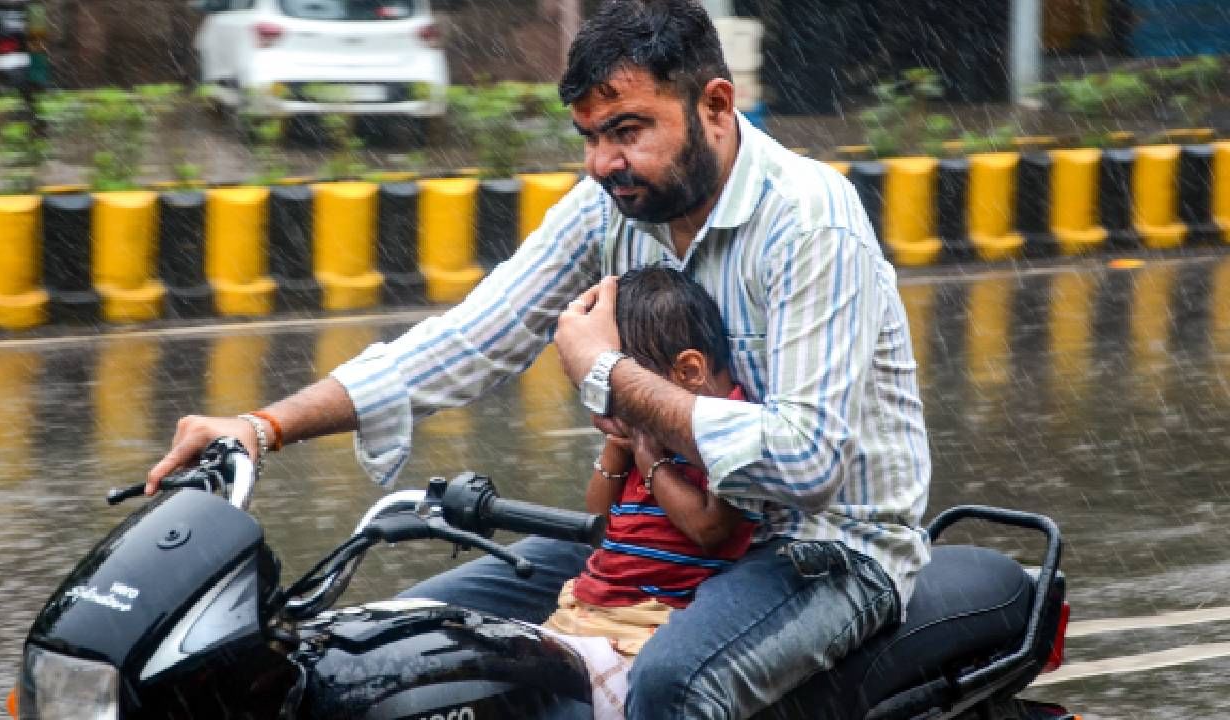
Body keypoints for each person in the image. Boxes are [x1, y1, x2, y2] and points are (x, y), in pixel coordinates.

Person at [148, 1, 932, 717]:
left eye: (628, 131)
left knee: (668, 685)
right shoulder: (612, 208)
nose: (602, 163)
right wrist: (263, 426)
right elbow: (472, 336)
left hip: (823, 547)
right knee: (401, 642)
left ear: (716, 106)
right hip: (656, 525)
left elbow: (806, 463)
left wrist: (607, 375)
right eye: (591, 137)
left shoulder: (808, 221)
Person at [541, 266, 758, 717]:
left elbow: (708, 528)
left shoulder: (729, 424)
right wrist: (616, 450)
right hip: (589, 603)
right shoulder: (642, 427)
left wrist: (648, 454)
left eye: (624, 382)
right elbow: (600, 519)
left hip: (652, 618)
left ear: (689, 370)